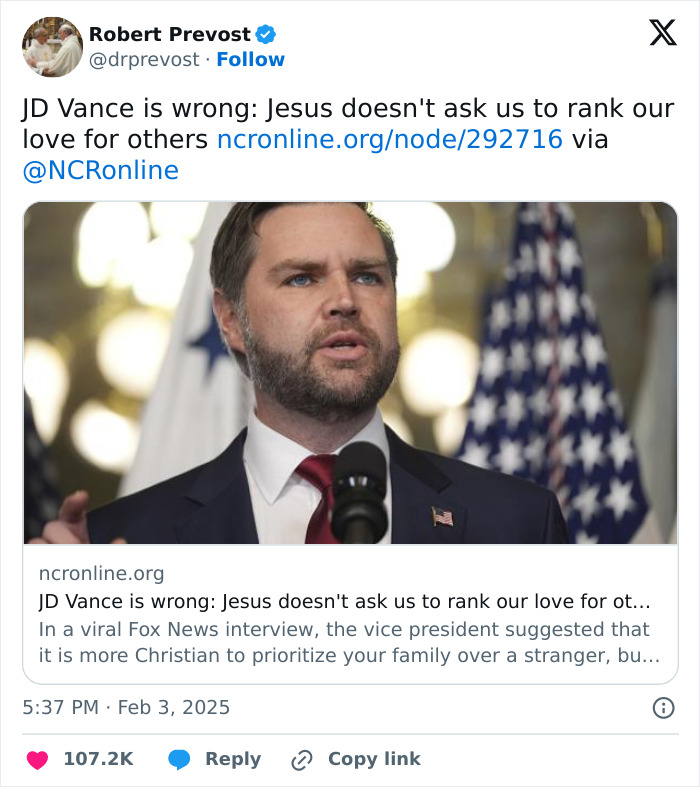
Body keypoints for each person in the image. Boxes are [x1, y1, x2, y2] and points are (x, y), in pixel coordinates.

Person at [35, 202, 568, 545]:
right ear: (230, 320)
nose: (344, 300)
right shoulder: (125, 544)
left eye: (367, 275)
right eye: (301, 279)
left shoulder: (519, 524)